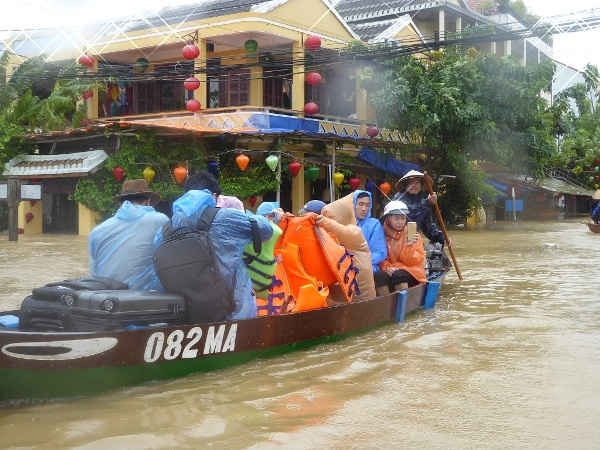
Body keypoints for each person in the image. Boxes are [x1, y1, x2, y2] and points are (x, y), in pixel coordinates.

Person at [156, 170, 273, 321]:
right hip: (234, 314)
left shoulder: (165, 229)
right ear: (213, 196)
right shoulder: (226, 216)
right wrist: (246, 214)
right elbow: (266, 230)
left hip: (186, 315)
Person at [89, 179, 169, 290]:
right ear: (148, 201)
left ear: (120, 203)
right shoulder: (160, 220)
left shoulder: (97, 231)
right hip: (144, 299)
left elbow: (94, 274)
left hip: (105, 300)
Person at [375, 200, 426, 293]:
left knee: (398, 275)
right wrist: (387, 268)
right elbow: (379, 257)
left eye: (403, 218)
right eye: (396, 218)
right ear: (388, 218)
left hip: (412, 271)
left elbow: (413, 262)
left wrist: (409, 246)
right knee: (379, 275)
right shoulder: (379, 234)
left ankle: (402, 304)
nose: (400, 222)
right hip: (391, 270)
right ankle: (385, 304)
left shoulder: (413, 235)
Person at [392, 170, 444, 246]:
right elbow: (410, 214)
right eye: (411, 183)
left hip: (413, 238)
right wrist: (427, 203)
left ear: (421, 185)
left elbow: (428, 227)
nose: (414, 185)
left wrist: (442, 238)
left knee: (434, 247)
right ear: (406, 185)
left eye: (417, 183)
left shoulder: (422, 200)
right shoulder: (399, 198)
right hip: (396, 240)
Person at [353, 190, 387, 273]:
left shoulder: (374, 224)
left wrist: (359, 262)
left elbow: (380, 252)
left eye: (367, 205)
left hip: (368, 268)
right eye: (361, 204)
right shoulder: (344, 222)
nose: (364, 209)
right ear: (353, 204)